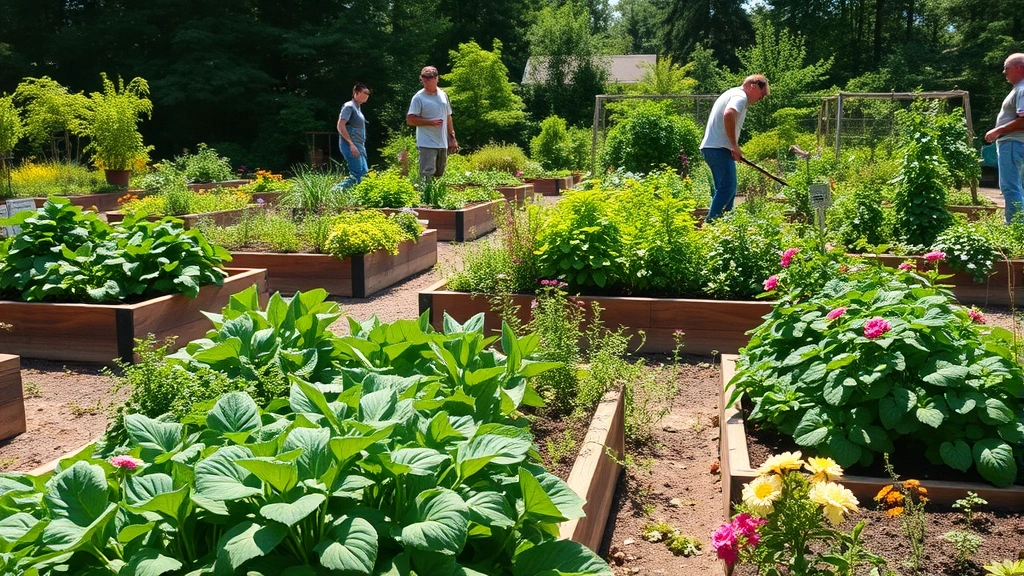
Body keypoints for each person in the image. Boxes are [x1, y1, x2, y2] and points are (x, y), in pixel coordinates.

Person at [699, 75, 770, 221]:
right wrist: (734, 145)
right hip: (718, 149)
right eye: (762, 95)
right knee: (728, 187)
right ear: (754, 86)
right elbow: (729, 113)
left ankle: (725, 225)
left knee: (728, 189)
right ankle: (712, 224)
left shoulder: (732, 93)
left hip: (714, 148)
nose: (761, 99)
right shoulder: (740, 96)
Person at [985, 53, 1024, 224]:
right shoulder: (1018, 89)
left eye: (1006, 68)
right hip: (1014, 143)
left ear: (1018, 68)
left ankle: (1015, 227)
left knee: (1009, 187)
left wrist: (998, 130)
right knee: (1017, 187)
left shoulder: (1022, 89)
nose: (1004, 73)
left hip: (1013, 143)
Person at [406, 66, 457, 183]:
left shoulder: (443, 95)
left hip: (442, 142)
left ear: (437, 78)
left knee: (439, 174)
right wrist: (430, 122)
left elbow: (448, 116)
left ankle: (435, 199)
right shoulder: (418, 98)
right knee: (427, 175)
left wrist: (452, 138)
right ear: (421, 79)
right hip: (426, 143)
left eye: (430, 80)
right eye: (425, 81)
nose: (427, 84)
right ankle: (425, 199)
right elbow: (410, 120)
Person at [337, 83, 371, 188]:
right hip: (351, 146)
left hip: (359, 146)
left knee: (364, 174)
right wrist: (351, 144)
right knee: (358, 175)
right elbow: (340, 125)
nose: (367, 95)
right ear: (356, 93)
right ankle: (334, 193)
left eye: (368, 93)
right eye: (364, 93)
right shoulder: (349, 106)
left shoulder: (358, 109)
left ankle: (358, 198)